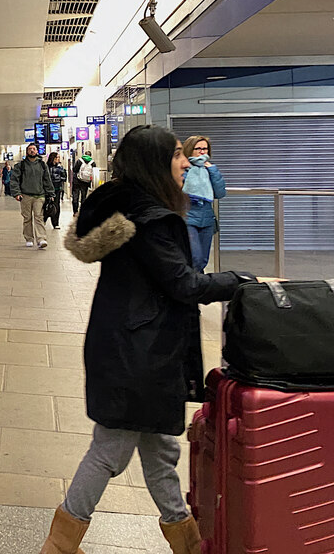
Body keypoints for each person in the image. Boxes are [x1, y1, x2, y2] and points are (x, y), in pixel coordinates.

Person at [42, 125, 253, 554]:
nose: (185, 162)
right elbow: (185, 285)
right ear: (154, 162)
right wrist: (240, 281)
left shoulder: (129, 211)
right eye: (177, 154)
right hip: (141, 354)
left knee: (160, 454)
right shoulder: (152, 220)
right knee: (110, 451)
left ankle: (187, 542)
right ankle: (59, 546)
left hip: (130, 345)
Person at [181, 135, 226, 273]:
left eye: (205, 149)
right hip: (188, 218)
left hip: (206, 219)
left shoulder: (209, 170)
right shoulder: (183, 169)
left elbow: (220, 192)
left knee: (203, 260)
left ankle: (197, 287)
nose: (202, 152)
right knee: (195, 258)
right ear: (189, 150)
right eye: (198, 148)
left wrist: (213, 170)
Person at [9, 143, 55, 248]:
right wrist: (16, 193)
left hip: (39, 195)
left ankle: (41, 239)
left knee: (39, 217)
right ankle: (29, 238)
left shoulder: (42, 165)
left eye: (34, 149)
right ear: (27, 152)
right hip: (25, 196)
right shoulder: (21, 165)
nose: (32, 151)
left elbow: (47, 180)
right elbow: (14, 180)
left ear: (37, 151)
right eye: (30, 149)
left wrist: (51, 193)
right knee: (27, 218)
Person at [46, 151, 67, 230]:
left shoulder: (60, 168)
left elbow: (64, 178)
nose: (59, 159)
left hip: (57, 189)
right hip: (47, 190)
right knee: (46, 205)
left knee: (56, 206)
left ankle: (55, 223)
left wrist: (58, 179)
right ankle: (44, 219)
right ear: (53, 158)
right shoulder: (46, 167)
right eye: (57, 157)